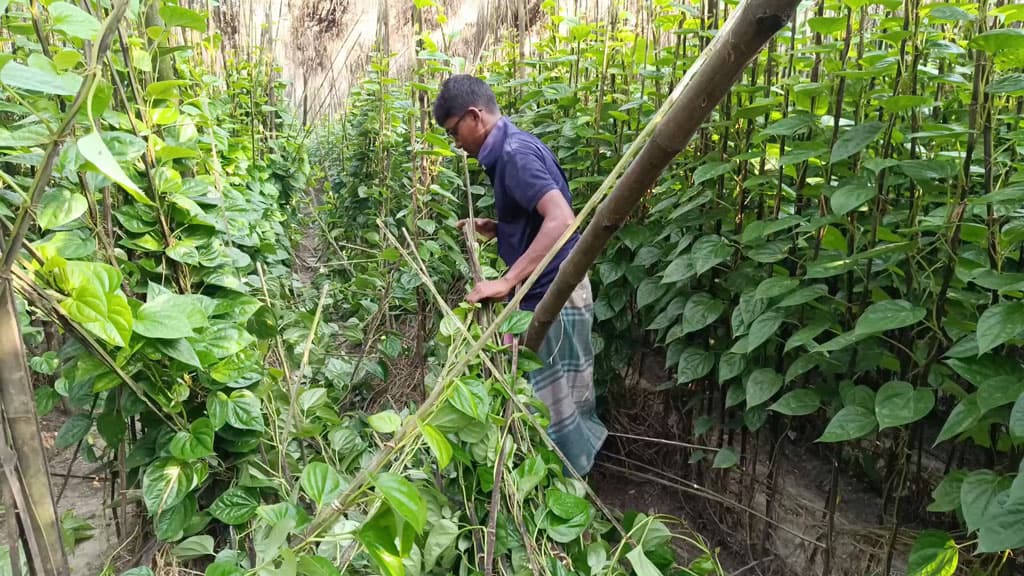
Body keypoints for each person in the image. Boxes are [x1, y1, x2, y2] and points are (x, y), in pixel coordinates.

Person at [433, 74, 607, 476]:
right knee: (566, 396)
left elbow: (561, 219)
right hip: (557, 292)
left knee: (556, 403)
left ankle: (572, 487)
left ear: (474, 117)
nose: (456, 144)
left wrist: (507, 281)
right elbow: (540, 211)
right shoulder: (514, 145)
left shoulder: (512, 154)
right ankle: (572, 477)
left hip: (553, 298)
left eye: (454, 131)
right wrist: (501, 227)